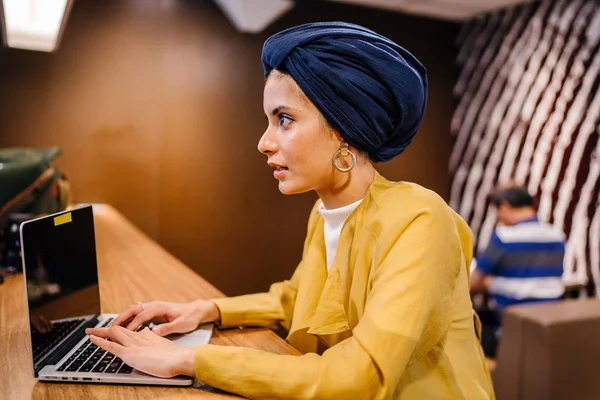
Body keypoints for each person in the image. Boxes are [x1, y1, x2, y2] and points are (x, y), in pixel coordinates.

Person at [86, 22, 494, 399]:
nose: (264, 142)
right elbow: (299, 299)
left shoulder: (420, 220)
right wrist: (205, 310)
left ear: (343, 131)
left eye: (284, 119)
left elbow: (362, 374)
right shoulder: (324, 212)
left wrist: (187, 359)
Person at [470, 185, 565, 357]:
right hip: (549, 328)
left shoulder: (504, 237)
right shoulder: (556, 235)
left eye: (497, 212)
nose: (498, 218)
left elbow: (473, 282)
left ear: (505, 206)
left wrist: (491, 283)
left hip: (511, 332)